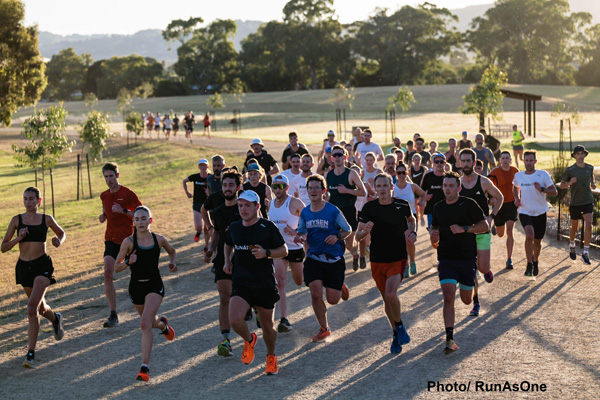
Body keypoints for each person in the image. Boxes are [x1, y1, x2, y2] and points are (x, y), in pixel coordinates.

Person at [224, 190, 288, 375]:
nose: (243, 209)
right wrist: (227, 261)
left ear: (257, 206)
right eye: (240, 205)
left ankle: (271, 357)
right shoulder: (235, 227)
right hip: (241, 282)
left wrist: (266, 253)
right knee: (235, 320)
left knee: (268, 326)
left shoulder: (267, 227)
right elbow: (228, 243)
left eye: (247, 205)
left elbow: (283, 250)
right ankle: (249, 339)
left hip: (264, 284)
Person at [2, 187, 66, 368]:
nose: (28, 202)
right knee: (40, 308)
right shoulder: (17, 220)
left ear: (39, 200)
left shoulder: (46, 219)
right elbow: (4, 247)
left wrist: (58, 240)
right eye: (25, 199)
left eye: (31, 199)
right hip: (24, 268)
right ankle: (55, 319)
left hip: (42, 266)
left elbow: (61, 232)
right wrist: (18, 239)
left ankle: (30, 353)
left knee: (31, 308)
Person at [114, 206, 177, 381]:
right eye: (137, 219)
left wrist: (172, 263)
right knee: (149, 322)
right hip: (136, 287)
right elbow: (116, 267)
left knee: (144, 323)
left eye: (144, 219)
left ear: (150, 220)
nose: (140, 222)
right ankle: (163, 325)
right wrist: (127, 261)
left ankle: (145, 368)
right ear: (133, 222)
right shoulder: (129, 242)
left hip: (154, 285)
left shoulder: (159, 240)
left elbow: (172, 251)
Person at [430, 172, 490, 354]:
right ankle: (449, 339)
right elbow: (435, 230)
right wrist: (434, 236)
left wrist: (465, 229)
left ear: (458, 188)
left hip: (466, 258)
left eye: (451, 186)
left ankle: (473, 286)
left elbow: (485, 226)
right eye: (445, 186)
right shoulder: (438, 207)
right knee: (448, 296)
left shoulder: (469, 204)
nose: (447, 189)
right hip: (446, 259)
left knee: (465, 300)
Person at [356, 173, 416, 354]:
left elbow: (411, 220)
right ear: (374, 188)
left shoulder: (402, 205)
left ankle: (399, 326)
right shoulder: (369, 208)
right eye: (378, 186)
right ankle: (396, 333)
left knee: (391, 295)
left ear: (392, 187)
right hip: (377, 259)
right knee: (386, 299)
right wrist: (365, 231)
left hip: (397, 257)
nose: (381, 189)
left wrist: (413, 232)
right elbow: (358, 236)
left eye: (385, 185)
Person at [294, 175, 351, 342]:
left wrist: (336, 236)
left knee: (333, 300)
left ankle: (339, 285)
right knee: (315, 294)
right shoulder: (305, 212)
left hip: (334, 258)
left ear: (323, 191)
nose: (313, 191)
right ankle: (324, 328)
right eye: (310, 188)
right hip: (314, 257)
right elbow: (302, 231)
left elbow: (347, 229)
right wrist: (300, 237)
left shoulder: (333, 210)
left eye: (316, 188)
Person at [459, 148, 504, 316]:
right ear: (459, 162)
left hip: (483, 227)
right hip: (466, 231)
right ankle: (476, 303)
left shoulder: (483, 182)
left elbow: (499, 197)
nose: (465, 164)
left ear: (474, 162)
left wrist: (492, 216)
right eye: (462, 161)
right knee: (471, 268)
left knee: (482, 268)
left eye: (468, 161)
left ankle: (487, 270)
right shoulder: (458, 184)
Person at [99, 162, 142, 328]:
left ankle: (143, 308)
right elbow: (106, 208)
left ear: (117, 175)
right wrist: (103, 215)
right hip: (111, 239)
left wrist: (123, 211)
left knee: (137, 275)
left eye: (111, 176)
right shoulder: (104, 195)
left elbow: (143, 215)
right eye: (106, 177)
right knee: (107, 273)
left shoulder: (127, 194)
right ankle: (113, 315)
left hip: (129, 241)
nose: (109, 180)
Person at [205, 170, 243, 357]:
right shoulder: (217, 211)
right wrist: (211, 249)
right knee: (224, 296)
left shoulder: (244, 209)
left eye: (231, 185)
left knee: (245, 294)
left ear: (238, 187)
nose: (227, 189)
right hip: (222, 256)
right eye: (225, 185)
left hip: (243, 256)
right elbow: (217, 233)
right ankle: (225, 340)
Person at [268, 174, 306, 332]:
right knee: (280, 282)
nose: (277, 189)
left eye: (281, 186)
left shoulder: (295, 202)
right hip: (279, 249)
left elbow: (308, 220)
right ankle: (284, 319)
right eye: (274, 186)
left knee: (300, 281)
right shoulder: (270, 204)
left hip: (295, 249)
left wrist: (296, 232)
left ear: (287, 187)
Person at [512, 150, 557, 276]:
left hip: (540, 212)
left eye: (531, 160)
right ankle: (529, 263)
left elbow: (554, 192)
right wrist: (517, 198)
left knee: (537, 241)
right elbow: (515, 187)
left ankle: (535, 261)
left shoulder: (543, 175)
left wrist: (542, 189)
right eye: (526, 160)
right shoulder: (519, 176)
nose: (529, 163)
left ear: (535, 161)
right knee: (529, 235)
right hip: (525, 211)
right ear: (524, 161)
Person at [325, 145, 367, 270]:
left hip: (348, 211)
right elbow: (326, 193)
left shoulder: (352, 173)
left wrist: (347, 191)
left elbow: (363, 192)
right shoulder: (328, 175)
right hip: (333, 213)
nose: (337, 157)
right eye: (335, 155)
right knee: (334, 241)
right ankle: (337, 266)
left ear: (345, 157)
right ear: (332, 158)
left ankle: (356, 254)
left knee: (349, 244)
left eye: (340, 155)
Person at [559, 145, 596, 265]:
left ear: (585, 155)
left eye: (582, 153)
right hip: (575, 203)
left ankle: (585, 252)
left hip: (587, 200)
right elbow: (562, 185)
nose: (580, 156)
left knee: (589, 224)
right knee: (574, 228)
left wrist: (593, 185)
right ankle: (572, 244)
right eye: (578, 154)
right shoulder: (570, 170)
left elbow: (591, 179)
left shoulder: (590, 168)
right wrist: (570, 182)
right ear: (574, 156)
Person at [488, 151, 520, 269]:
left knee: (510, 231)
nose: (505, 160)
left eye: (507, 158)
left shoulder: (515, 171)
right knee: (501, 234)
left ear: (510, 160)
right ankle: (496, 227)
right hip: (499, 204)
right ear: (500, 160)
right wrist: (490, 199)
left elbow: (519, 186)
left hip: (511, 204)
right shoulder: (494, 172)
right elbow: (488, 187)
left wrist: (519, 198)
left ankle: (509, 259)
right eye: (503, 158)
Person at [394, 163, 426, 276]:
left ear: (407, 173)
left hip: (411, 217)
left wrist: (422, 202)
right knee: (402, 243)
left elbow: (423, 194)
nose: (401, 175)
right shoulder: (393, 188)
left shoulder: (412, 186)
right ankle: (406, 265)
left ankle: (412, 262)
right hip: (397, 218)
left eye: (404, 172)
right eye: (399, 173)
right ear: (396, 174)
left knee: (410, 241)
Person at [183, 159, 211, 251]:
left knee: (207, 228)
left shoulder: (211, 177)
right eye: (201, 165)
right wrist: (187, 193)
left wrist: (210, 193)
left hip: (208, 204)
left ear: (208, 166)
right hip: (197, 204)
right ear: (199, 167)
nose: (203, 167)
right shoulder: (195, 177)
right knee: (198, 227)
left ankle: (206, 246)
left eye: (205, 165)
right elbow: (184, 181)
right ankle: (198, 233)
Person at [421, 153, 446, 230]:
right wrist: (424, 197)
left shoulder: (448, 177)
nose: (439, 164)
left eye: (441, 162)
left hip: (446, 209)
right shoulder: (428, 176)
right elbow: (421, 191)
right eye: (436, 161)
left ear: (445, 163)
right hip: (432, 210)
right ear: (433, 163)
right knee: (433, 233)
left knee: (446, 234)